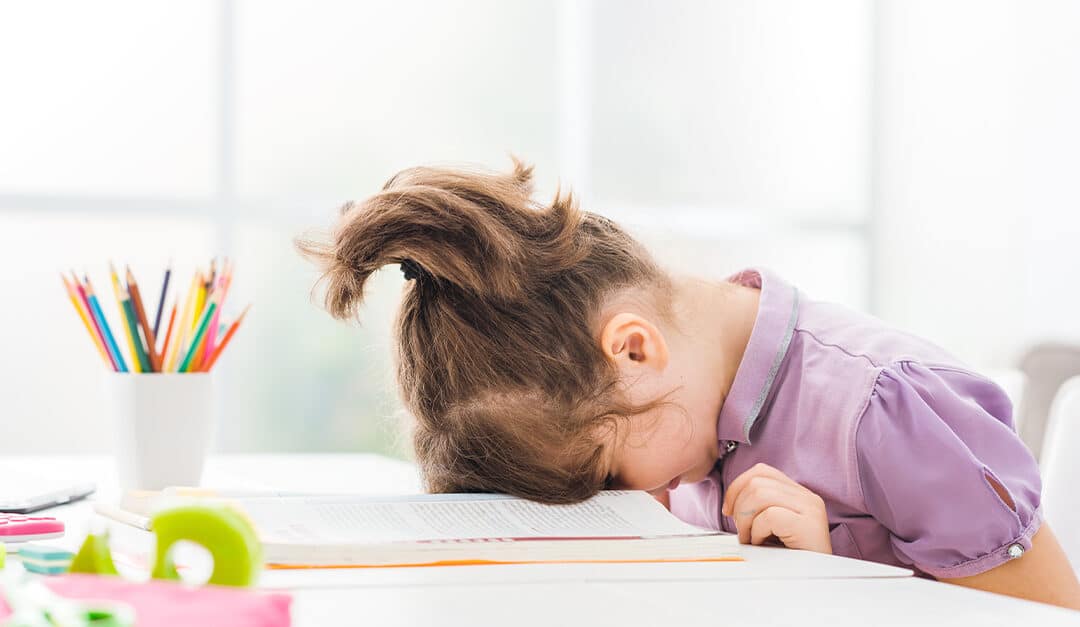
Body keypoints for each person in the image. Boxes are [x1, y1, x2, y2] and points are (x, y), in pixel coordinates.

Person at [298, 159, 1080, 609]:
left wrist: (827, 581)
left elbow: (1049, 616)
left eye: (602, 472)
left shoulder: (884, 409)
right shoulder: (691, 427)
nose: (623, 499)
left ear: (634, 351)